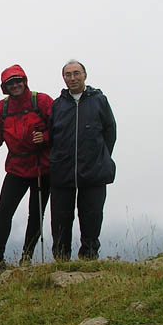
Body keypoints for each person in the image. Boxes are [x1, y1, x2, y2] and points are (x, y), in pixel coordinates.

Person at [0, 64, 54, 272]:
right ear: (5, 87)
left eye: (18, 81)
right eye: (10, 83)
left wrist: (45, 137)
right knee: (4, 211)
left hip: (42, 167)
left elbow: (59, 128)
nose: (15, 85)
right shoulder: (1, 108)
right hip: (16, 168)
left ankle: (26, 259)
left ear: (25, 81)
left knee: (35, 215)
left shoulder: (42, 101)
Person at [49, 60, 117, 260]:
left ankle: (88, 257)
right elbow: (52, 136)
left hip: (94, 171)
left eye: (76, 73)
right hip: (63, 171)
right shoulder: (58, 104)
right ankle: (61, 258)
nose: (72, 78)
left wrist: (100, 156)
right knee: (60, 219)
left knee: (92, 216)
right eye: (68, 74)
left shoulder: (99, 101)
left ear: (85, 75)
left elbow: (110, 131)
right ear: (64, 78)